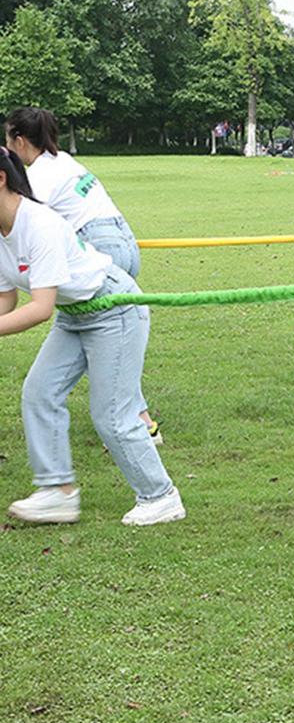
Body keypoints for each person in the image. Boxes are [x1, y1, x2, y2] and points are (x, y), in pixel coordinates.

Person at [0, 146, 184, 526]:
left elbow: (40, 308)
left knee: (112, 414)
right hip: (75, 314)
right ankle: (57, 493)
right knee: (40, 392)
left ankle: (160, 497)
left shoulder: (40, 224)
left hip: (112, 306)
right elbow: (6, 298)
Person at [5, 107, 162, 444]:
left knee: (105, 339)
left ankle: (140, 424)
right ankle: (141, 421)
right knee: (109, 340)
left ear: (19, 141)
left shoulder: (41, 176)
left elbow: (24, 221)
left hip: (98, 246)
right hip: (124, 242)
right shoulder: (62, 161)